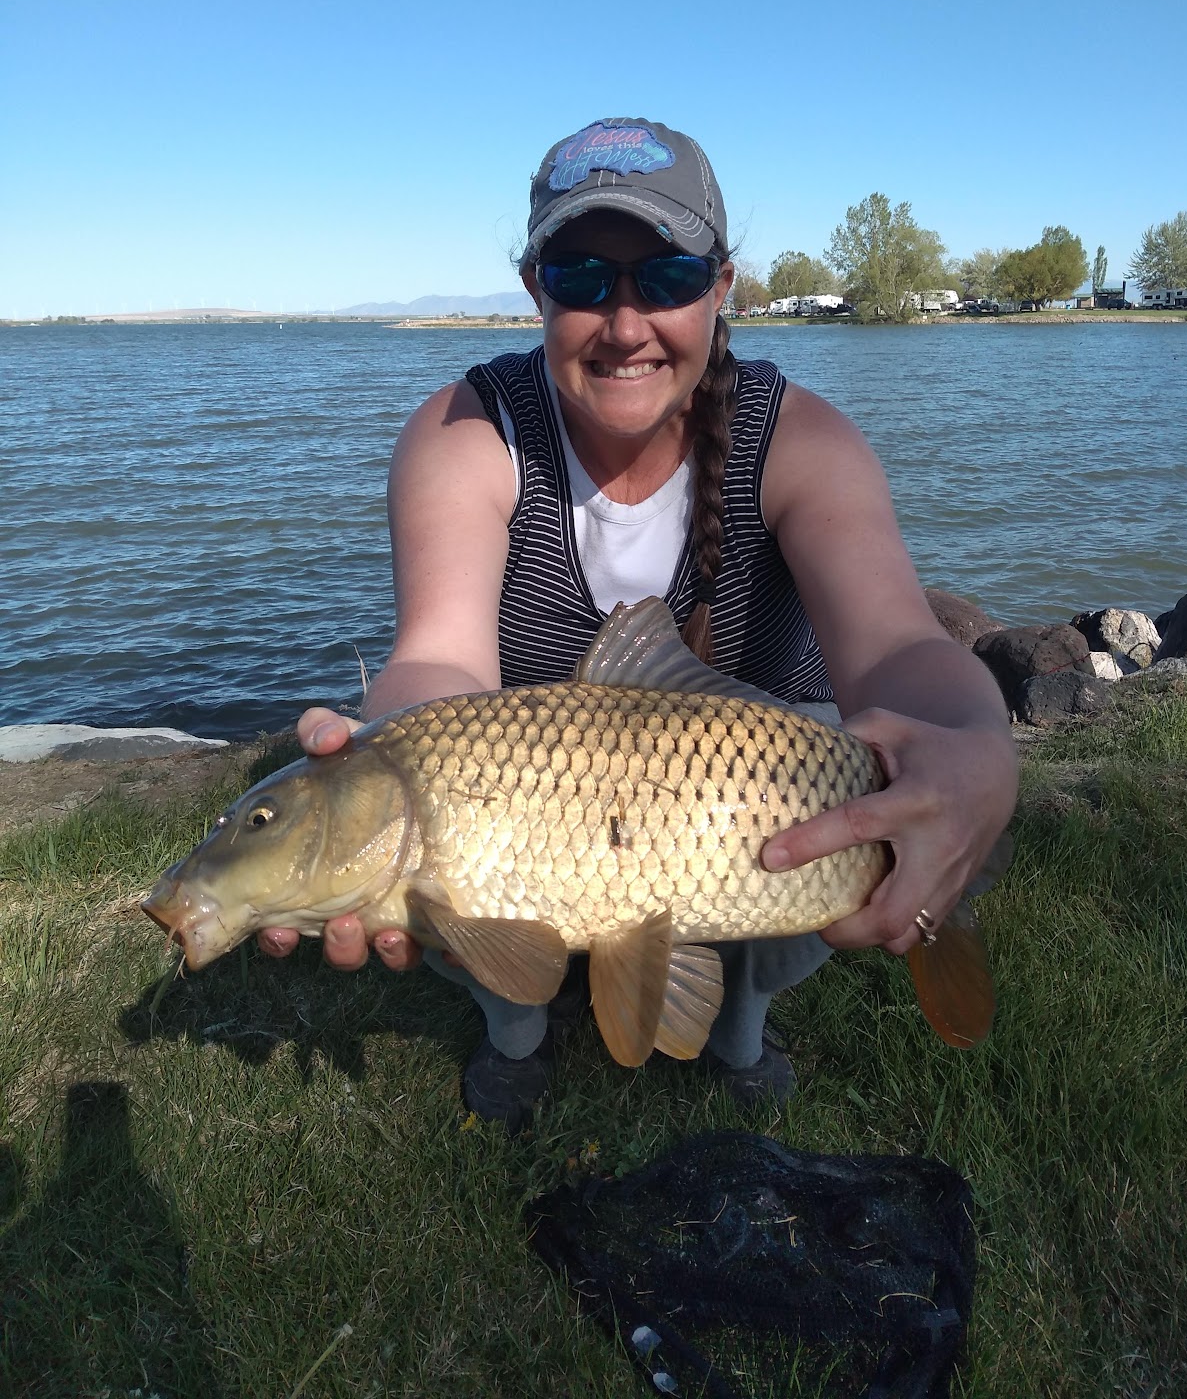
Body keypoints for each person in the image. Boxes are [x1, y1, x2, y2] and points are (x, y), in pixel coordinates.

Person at [258, 117, 1019, 1128]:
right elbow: (436, 659)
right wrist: (383, 767)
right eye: (582, 277)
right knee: (445, 847)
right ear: (535, 288)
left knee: (826, 771)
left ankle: (741, 1028)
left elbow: (898, 648)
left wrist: (983, 757)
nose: (625, 324)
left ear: (722, 286)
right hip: (539, 829)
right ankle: (514, 1033)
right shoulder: (465, 434)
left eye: (664, 278)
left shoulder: (804, 440)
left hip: (743, 814)